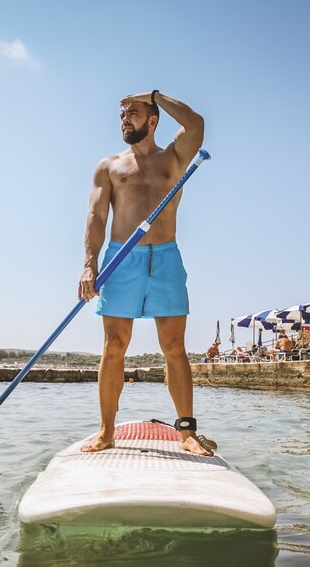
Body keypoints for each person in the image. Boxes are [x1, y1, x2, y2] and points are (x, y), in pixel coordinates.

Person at [78, 90, 216, 457]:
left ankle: (186, 432)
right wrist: (90, 264)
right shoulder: (109, 166)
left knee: (174, 347)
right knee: (114, 346)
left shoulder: (173, 157)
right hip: (122, 259)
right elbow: (96, 218)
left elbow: (196, 124)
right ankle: (107, 431)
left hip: (166, 258)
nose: (125, 118)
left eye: (133, 112)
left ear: (153, 120)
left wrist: (154, 95)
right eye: (122, 113)